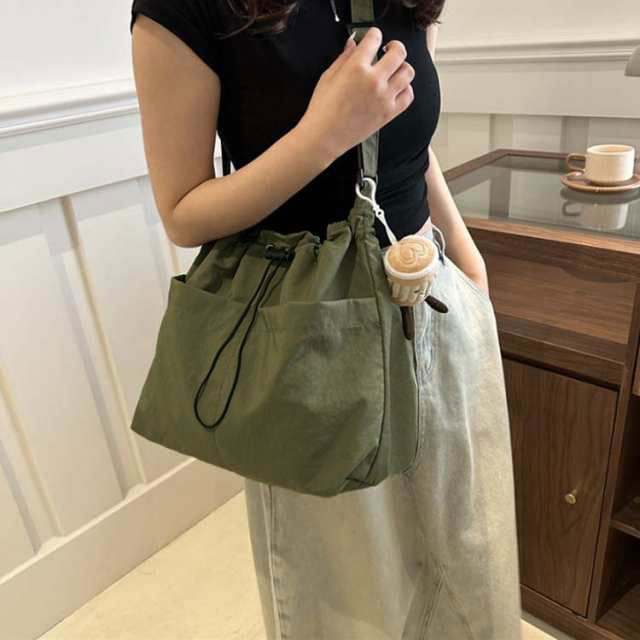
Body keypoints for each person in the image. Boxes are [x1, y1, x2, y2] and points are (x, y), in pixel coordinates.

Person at [129, 0, 523, 637]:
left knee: (470, 554)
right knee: (351, 599)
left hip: (438, 297)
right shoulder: (187, 9)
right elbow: (182, 211)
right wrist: (325, 133)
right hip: (314, 337)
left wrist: (470, 264)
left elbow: (409, 143)